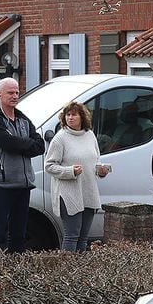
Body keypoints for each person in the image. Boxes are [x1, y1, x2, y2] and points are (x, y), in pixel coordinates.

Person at [0, 77, 45, 252]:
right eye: (10, 92)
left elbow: (40, 145)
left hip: (23, 185)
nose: (15, 96)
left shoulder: (23, 120)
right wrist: (26, 144)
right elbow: (7, 143)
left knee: (19, 235)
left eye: (17, 92)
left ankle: (13, 274)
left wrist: (21, 144)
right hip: (1, 185)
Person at [44, 102, 110, 252]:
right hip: (68, 193)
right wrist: (70, 171)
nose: (70, 117)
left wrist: (101, 170)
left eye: (74, 114)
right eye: (68, 115)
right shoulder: (60, 138)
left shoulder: (90, 135)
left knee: (83, 237)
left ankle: (80, 272)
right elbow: (49, 166)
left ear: (82, 117)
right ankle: (66, 273)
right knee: (72, 235)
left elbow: (96, 159)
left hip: (88, 190)